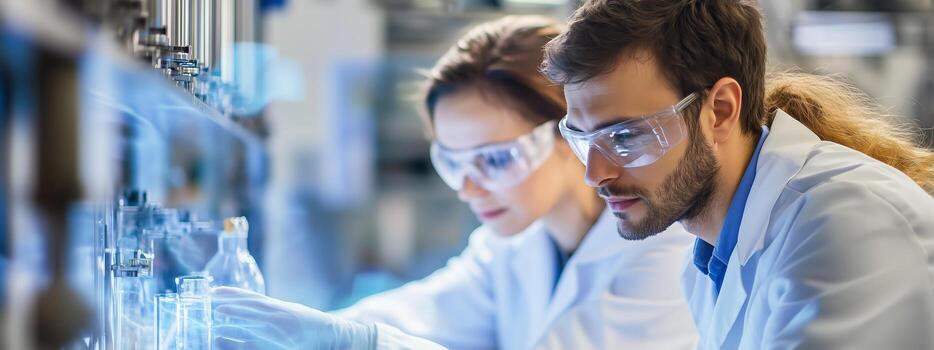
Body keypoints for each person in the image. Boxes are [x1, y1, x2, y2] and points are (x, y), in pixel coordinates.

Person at [211, 15, 698, 349]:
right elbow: (413, 315)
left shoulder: (665, 251)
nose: (469, 188)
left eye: (496, 159)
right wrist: (306, 331)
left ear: (571, 137)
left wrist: (352, 341)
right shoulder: (512, 248)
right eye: (454, 163)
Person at [542, 0, 934, 349]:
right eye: (581, 138)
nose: (594, 174)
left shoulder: (845, 220)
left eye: (625, 136)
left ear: (722, 110)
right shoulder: (707, 260)